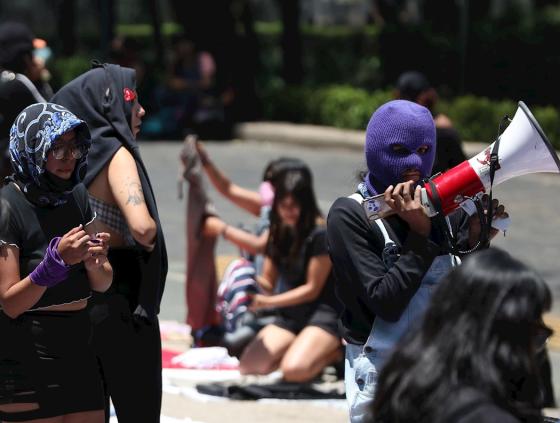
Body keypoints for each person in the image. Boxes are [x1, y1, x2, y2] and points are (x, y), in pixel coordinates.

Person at [326, 100, 508, 422]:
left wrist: (475, 242)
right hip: (384, 377)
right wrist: (420, 236)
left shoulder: (440, 206)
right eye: (399, 149)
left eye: (425, 149)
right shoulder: (350, 215)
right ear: (377, 150)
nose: (414, 161)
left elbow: (462, 298)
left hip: (442, 370)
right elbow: (385, 302)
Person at [52, 63, 168, 423]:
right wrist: (138, 238)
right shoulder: (114, 152)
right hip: (121, 301)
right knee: (139, 410)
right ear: (108, 105)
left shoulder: (66, 155)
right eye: (131, 100)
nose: (141, 111)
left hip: (74, 299)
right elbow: (143, 228)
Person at [0, 103, 112, 422]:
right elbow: (9, 303)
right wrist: (54, 265)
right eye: (57, 148)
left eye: (73, 147)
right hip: (26, 355)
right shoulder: (8, 206)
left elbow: (103, 281)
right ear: (32, 147)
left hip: (79, 349)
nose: (68, 158)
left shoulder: (75, 195)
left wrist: (95, 261)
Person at [372, 247, 552, 423]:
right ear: (503, 338)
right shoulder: (485, 414)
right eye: (536, 334)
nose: (537, 349)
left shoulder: (406, 381)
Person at [179, 134, 304, 350]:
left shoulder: (295, 217)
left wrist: (222, 229)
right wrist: (205, 161)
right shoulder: (271, 208)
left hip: (279, 304)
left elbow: (261, 245)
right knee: (237, 275)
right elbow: (227, 189)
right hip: (262, 295)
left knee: (240, 275)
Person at [238, 166, 342, 383]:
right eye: (283, 206)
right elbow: (267, 281)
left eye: (294, 206)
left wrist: (268, 302)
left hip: (324, 314)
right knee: (249, 367)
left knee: (294, 371)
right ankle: (302, 350)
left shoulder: (320, 233)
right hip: (292, 314)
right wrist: (243, 279)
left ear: (306, 205)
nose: (288, 211)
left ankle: (334, 354)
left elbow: (311, 290)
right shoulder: (279, 231)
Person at [0, 21, 51, 179]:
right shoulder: (17, 83)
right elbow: (53, 115)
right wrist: (41, 80)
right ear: (23, 55)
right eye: (31, 53)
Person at [395, 70, 466, 174]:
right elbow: (461, 172)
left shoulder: (389, 127)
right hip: (433, 188)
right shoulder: (444, 130)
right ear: (424, 97)